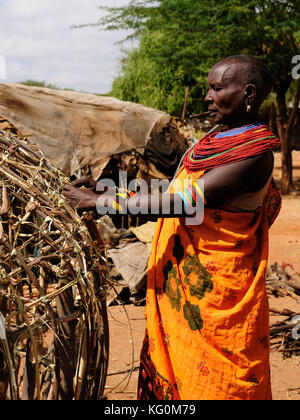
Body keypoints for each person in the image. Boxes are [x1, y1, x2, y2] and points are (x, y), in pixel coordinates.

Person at [62, 55, 281, 400]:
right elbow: (172, 190)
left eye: (217, 88)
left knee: (219, 386)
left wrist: (99, 202)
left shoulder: (253, 156)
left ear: (249, 94)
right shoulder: (214, 143)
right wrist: (107, 189)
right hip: (186, 294)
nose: (207, 97)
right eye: (208, 89)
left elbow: (184, 201)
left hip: (217, 299)